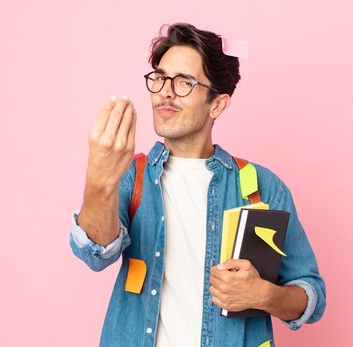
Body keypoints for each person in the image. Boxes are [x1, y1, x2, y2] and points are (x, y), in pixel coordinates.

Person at [70, 23, 326, 347]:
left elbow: (311, 295)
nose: (165, 91)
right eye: (160, 78)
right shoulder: (130, 176)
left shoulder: (262, 188)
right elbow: (94, 252)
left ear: (217, 104)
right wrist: (99, 180)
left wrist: (265, 295)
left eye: (184, 82)